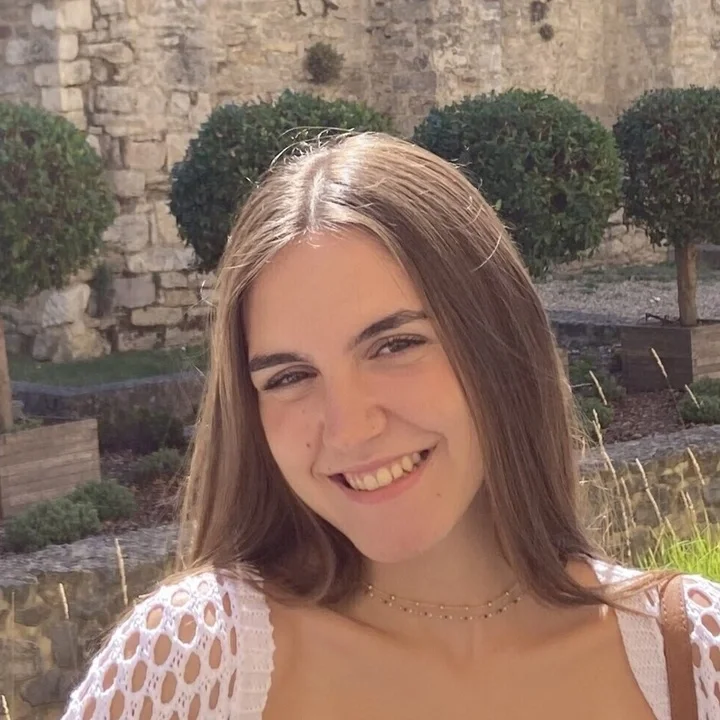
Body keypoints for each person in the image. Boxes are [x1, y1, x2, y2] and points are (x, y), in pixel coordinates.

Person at [61, 133, 719, 720]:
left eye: (395, 345)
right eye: (289, 377)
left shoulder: (695, 657)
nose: (349, 428)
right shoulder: (187, 668)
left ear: (500, 344)